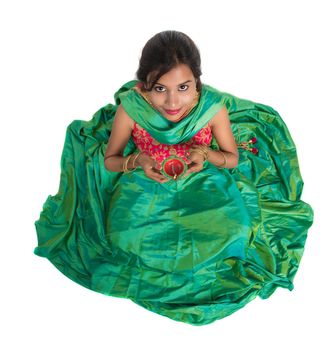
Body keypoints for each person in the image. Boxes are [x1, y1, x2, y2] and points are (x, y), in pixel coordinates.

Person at [34, 30, 314, 326]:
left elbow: (231, 158)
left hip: (205, 184)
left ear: (197, 83)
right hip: (145, 186)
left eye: (183, 87)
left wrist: (207, 154)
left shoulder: (212, 108)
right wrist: (137, 160)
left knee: (235, 232)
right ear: (144, 86)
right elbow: (111, 160)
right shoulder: (131, 109)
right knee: (124, 239)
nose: (172, 101)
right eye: (159, 89)